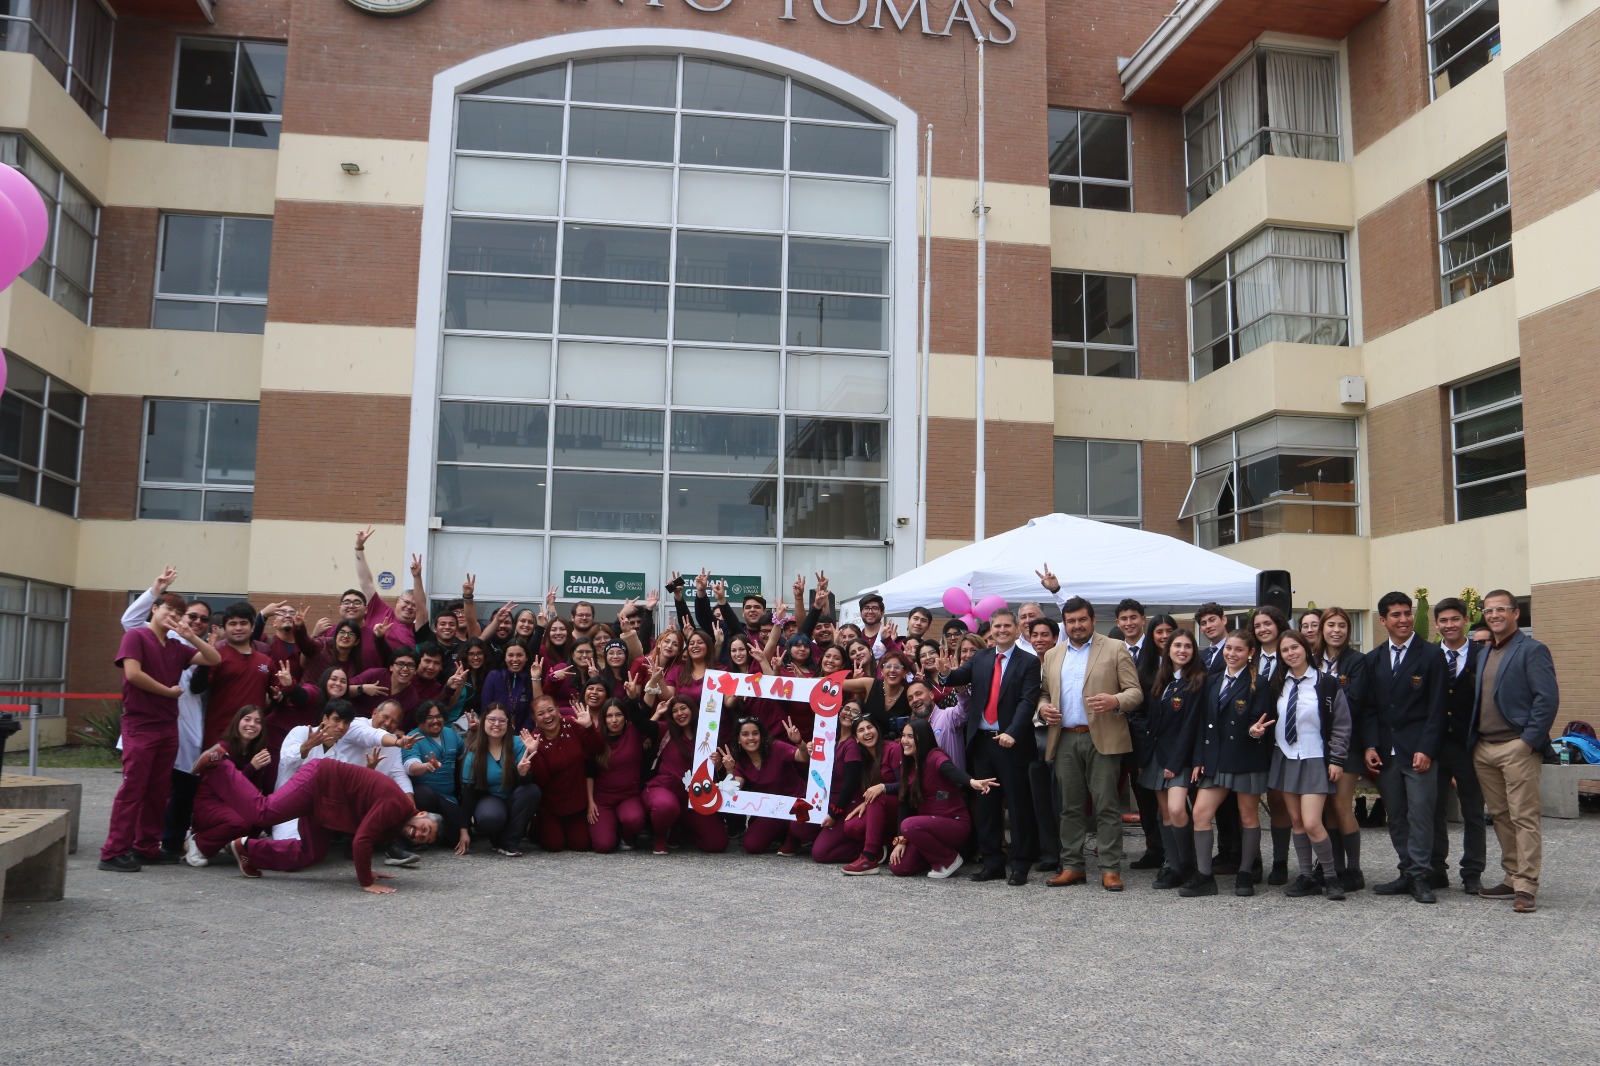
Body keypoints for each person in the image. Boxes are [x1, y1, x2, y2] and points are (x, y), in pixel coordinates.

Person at [193, 745, 437, 893]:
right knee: (264, 812)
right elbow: (362, 840)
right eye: (424, 829)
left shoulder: (399, 819)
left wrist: (369, 871)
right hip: (318, 780)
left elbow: (367, 834)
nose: (419, 835)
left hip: (327, 803)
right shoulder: (397, 806)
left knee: (312, 852)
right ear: (422, 814)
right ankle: (220, 764)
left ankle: (248, 849)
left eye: (423, 839)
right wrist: (366, 882)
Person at [101, 592, 222, 873]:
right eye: (169, 611)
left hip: (168, 728)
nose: (174, 618)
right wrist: (168, 692)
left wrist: (190, 635)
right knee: (133, 789)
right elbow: (132, 674)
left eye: (179, 615)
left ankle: (146, 847)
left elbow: (213, 658)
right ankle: (113, 851)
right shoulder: (137, 636)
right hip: (140, 725)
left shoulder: (176, 646)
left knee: (158, 791)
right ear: (154, 609)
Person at [1037, 597, 1142, 891]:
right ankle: (1072, 865)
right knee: (1069, 807)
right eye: (1071, 621)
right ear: (1065, 624)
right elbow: (1044, 693)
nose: (1077, 625)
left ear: (1093, 620)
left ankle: (1110, 868)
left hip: (1103, 738)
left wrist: (1115, 701)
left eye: (1082, 619)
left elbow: (1135, 692)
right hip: (1065, 738)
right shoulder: (1053, 655)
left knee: (1106, 805)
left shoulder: (1115, 647)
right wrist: (1043, 709)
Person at [936, 608, 1041, 885]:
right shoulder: (982, 658)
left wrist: (1012, 733)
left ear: (1017, 629)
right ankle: (992, 862)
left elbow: (1027, 702)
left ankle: (1019, 865)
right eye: (997, 626)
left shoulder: (1029, 662)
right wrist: (946, 674)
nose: (1002, 630)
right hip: (982, 744)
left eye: (1007, 625)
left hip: (1011, 744)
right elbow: (958, 678)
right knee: (987, 805)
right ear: (991, 629)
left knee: (1018, 807)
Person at [1469, 590, 1559, 913]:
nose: (1494, 615)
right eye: (1489, 610)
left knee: (1524, 817)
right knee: (1501, 816)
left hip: (1516, 746)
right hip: (1485, 749)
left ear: (1516, 613)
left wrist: (1528, 742)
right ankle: (1511, 875)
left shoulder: (1533, 650)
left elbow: (1546, 699)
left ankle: (1526, 886)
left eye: (1501, 609)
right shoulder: (1483, 653)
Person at [118, 569, 211, 862]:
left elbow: (213, 662)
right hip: (146, 723)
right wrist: (155, 590)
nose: (195, 622)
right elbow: (130, 622)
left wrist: (195, 639)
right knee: (137, 789)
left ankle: (159, 844)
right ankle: (123, 846)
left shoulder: (188, 646)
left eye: (202, 619)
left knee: (170, 792)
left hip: (180, 728)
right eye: (190, 616)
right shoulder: (152, 636)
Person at [1362, 591, 1448, 905]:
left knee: (1422, 814)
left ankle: (1422, 876)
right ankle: (1407, 871)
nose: (1404, 619)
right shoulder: (1373, 659)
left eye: (1407, 613)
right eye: (1395, 615)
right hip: (1386, 752)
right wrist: (1370, 744)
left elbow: (1438, 707)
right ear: (1383, 620)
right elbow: (1369, 709)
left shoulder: (1431, 655)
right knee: (1396, 815)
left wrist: (1427, 748)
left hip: (1418, 752)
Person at [1181, 631, 1272, 898]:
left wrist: (1255, 730)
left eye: (1238, 650)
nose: (1231, 654)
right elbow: (1201, 724)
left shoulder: (1260, 683)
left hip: (1245, 757)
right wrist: (1199, 758)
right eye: (1228, 648)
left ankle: (1245, 873)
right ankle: (1205, 875)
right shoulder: (1212, 681)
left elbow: (1260, 718)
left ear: (1250, 653)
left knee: (1247, 817)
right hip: (1216, 758)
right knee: (1200, 814)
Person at [1265, 631, 1351, 901]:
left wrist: (1337, 759)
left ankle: (1331, 876)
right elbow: (1268, 717)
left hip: (1314, 756)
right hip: (1286, 755)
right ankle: (1305, 877)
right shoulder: (1278, 682)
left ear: (1306, 649)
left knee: (1313, 822)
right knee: (1297, 821)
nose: (1291, 653)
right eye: (1284, 650)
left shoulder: (1326, 683)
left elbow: (1341, 724)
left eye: (1295, 647)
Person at [1129, 629, 1205, 890]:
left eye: (1187, 646)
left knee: (1176, 809)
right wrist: (1145, 757)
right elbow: (1151, 722)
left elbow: (1190, 727)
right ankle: (1172, 866)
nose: (1182, 650)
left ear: (1193, 651)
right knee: (1165, 813)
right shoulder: (1162, 680)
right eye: (1177, 646)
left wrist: (1174, 763)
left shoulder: (1196, 682)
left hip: (1178, 758)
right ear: (1167, 650)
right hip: (1154, 756)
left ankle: (1188, 865)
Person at [888, 719, 996, 877]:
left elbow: (948, 769)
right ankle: (935, 857)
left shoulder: (934, 755)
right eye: (903, 735)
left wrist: (971, 781)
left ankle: (949, 859)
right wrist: (901, 840)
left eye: (910, 736)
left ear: (923, 738)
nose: (905, 740)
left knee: (909, 825)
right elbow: (903, 803)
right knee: (899, 867)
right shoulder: (909, 764)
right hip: (927, 828)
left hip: (954, 824)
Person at [1429, 597, 1487, 895]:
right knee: (1434, 809)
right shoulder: (1427, 656)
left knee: (1473, 810)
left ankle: (1473, 870)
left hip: (1470, 745)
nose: (1449, 625)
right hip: (1435, 745)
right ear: (1436, 624)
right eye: (1443, 621)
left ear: (1465, 619)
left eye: (1455, 619)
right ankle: (1437, 868)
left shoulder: (1483, 655)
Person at [1316, 606, 1370, 890]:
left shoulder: (1357, 661)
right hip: (1315, 745)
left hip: (1347, 744)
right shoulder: (1311, 660)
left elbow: (1353, 701)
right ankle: (1333, 868)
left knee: (1340, 804)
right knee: (1325, 808)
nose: (1336, 630)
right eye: (1331, 625)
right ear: (1321, 629)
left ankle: (1354, 869)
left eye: (1342, 626)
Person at [186, 705, 275, 866]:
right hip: (210, 804)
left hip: (234, 805)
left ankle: (227, 842)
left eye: (257, 721)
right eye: (247, 719)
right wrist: (251, 767)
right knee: (240, 823)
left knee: (258, 817)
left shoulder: (258, 751)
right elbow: (227, 787)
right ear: (237, 722)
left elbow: (253, 791)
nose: (252, 725)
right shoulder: (221, 749)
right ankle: (198, 842)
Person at [813, 715, 902, 874]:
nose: (867, 732)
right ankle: (883, 847)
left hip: (899, 808)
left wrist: (882, 787)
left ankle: (869, 859)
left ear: (877, 730)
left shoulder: (892, 750)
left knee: (877, 796)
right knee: (851, 826)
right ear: (856, 738)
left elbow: (907, 786)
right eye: (861, 730)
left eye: (870, 727)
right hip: (877, 806)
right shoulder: (864, 758)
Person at [1114, 597, 1165, 871]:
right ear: (1118, 623)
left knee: (1161, 791)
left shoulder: (1157, 648)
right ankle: (1154, 848)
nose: (1129, 623)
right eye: (1124, 619)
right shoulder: (1112, 649)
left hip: (1152, 731)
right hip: (1120, 731)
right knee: (1140, 791)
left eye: (1134, 617)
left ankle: (1174, 847)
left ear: (1143, 619)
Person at [642, 697, 728, 855]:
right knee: (665, 807)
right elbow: (641, 726)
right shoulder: (665, 730)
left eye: (683, 708)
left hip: (694, 797)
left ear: (693, 710)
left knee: (717, 843)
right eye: (674, 711)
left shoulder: (708, 734)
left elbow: (718, 772)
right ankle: (660, 836)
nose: (679, 713)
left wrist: (719, 765)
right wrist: (656, 713)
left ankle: (681, 829)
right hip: (665, 789)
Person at [716, 716, 811, 856]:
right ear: (738, 739)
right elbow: (735, 788)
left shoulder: (776, 747)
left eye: (755, 733)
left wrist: (799, 742)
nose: (751, 738)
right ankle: (782, 834)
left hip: (797, 803)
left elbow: (804, 757)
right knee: (752, 845)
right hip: (772, 810)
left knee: (802, 831)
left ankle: (793, 837)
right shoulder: (741, 761)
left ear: (761, 735)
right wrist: (729, 770)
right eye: (745, 734)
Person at [460, 704, 542, 856]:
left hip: (514, 797)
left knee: (532, 791)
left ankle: (509, 842)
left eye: (502, 721)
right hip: (491, 799)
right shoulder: (474, 752)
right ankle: (496, 837)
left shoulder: (518, 743)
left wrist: (522, 772)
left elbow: (529, 780)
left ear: (509, 724)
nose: (496, 724)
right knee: (490, 817)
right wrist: (464, 829)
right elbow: (468, 793)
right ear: (483, 721)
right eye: (491, 719)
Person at [525, 695, 604, 852]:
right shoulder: (533, 739)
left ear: (558, 710)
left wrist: (590, 727)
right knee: (554, 845)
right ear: (534, 718)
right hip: (550, 805)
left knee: (580, 845)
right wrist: (534, 754)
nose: (547, 716)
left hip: (576, 802)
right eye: (540, 714)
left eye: (550, 710)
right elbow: (541, 779)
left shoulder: (571, 724)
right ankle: (536, 826)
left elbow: (598, 749)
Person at [1250, 605, 1294, 885]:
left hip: (1281, 740)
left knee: (1278, 802)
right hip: (1250, 739)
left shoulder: (1290, 655)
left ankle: (1280, 862)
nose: (1263, 629)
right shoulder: (1249, 656)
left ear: (1278, 625)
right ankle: (1253, 860)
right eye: (1257, 626)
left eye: (1267, 623)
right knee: (1249, 803)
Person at [404, 699, 470, 857]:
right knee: (424, 794)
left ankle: (433, 836)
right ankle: (418, 835)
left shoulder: (450, 734)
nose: (435, 721)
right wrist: (426, 767)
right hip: (424, 798)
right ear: (420, 720)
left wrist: (473, 732)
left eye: (439, 716)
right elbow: (410, 767)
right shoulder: (412, 737)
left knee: (458, 838)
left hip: (448, 798)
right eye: (429, 717)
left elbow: (465, 756)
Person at [589, 699, 649, 854]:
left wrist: (651, 683)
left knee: (634, 820)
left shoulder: (634, 730)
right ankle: (610, 826)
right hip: (603, 800)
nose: (614, 720)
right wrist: (590, 802)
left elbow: (646, 710)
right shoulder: (596, 737)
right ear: (604, 719)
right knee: (604, 845)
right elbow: (588, 771)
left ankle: (627, 836)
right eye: (609, 716)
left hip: (628, 796)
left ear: (625, 717)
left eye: (618, 715)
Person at [1194, 603, 1230, 673]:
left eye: (1212, 620)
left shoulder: (1237, 649)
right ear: (1201, 629)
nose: (1208, 626)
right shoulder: (1200, 657)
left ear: (1223, 620)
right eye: (1203, 623)